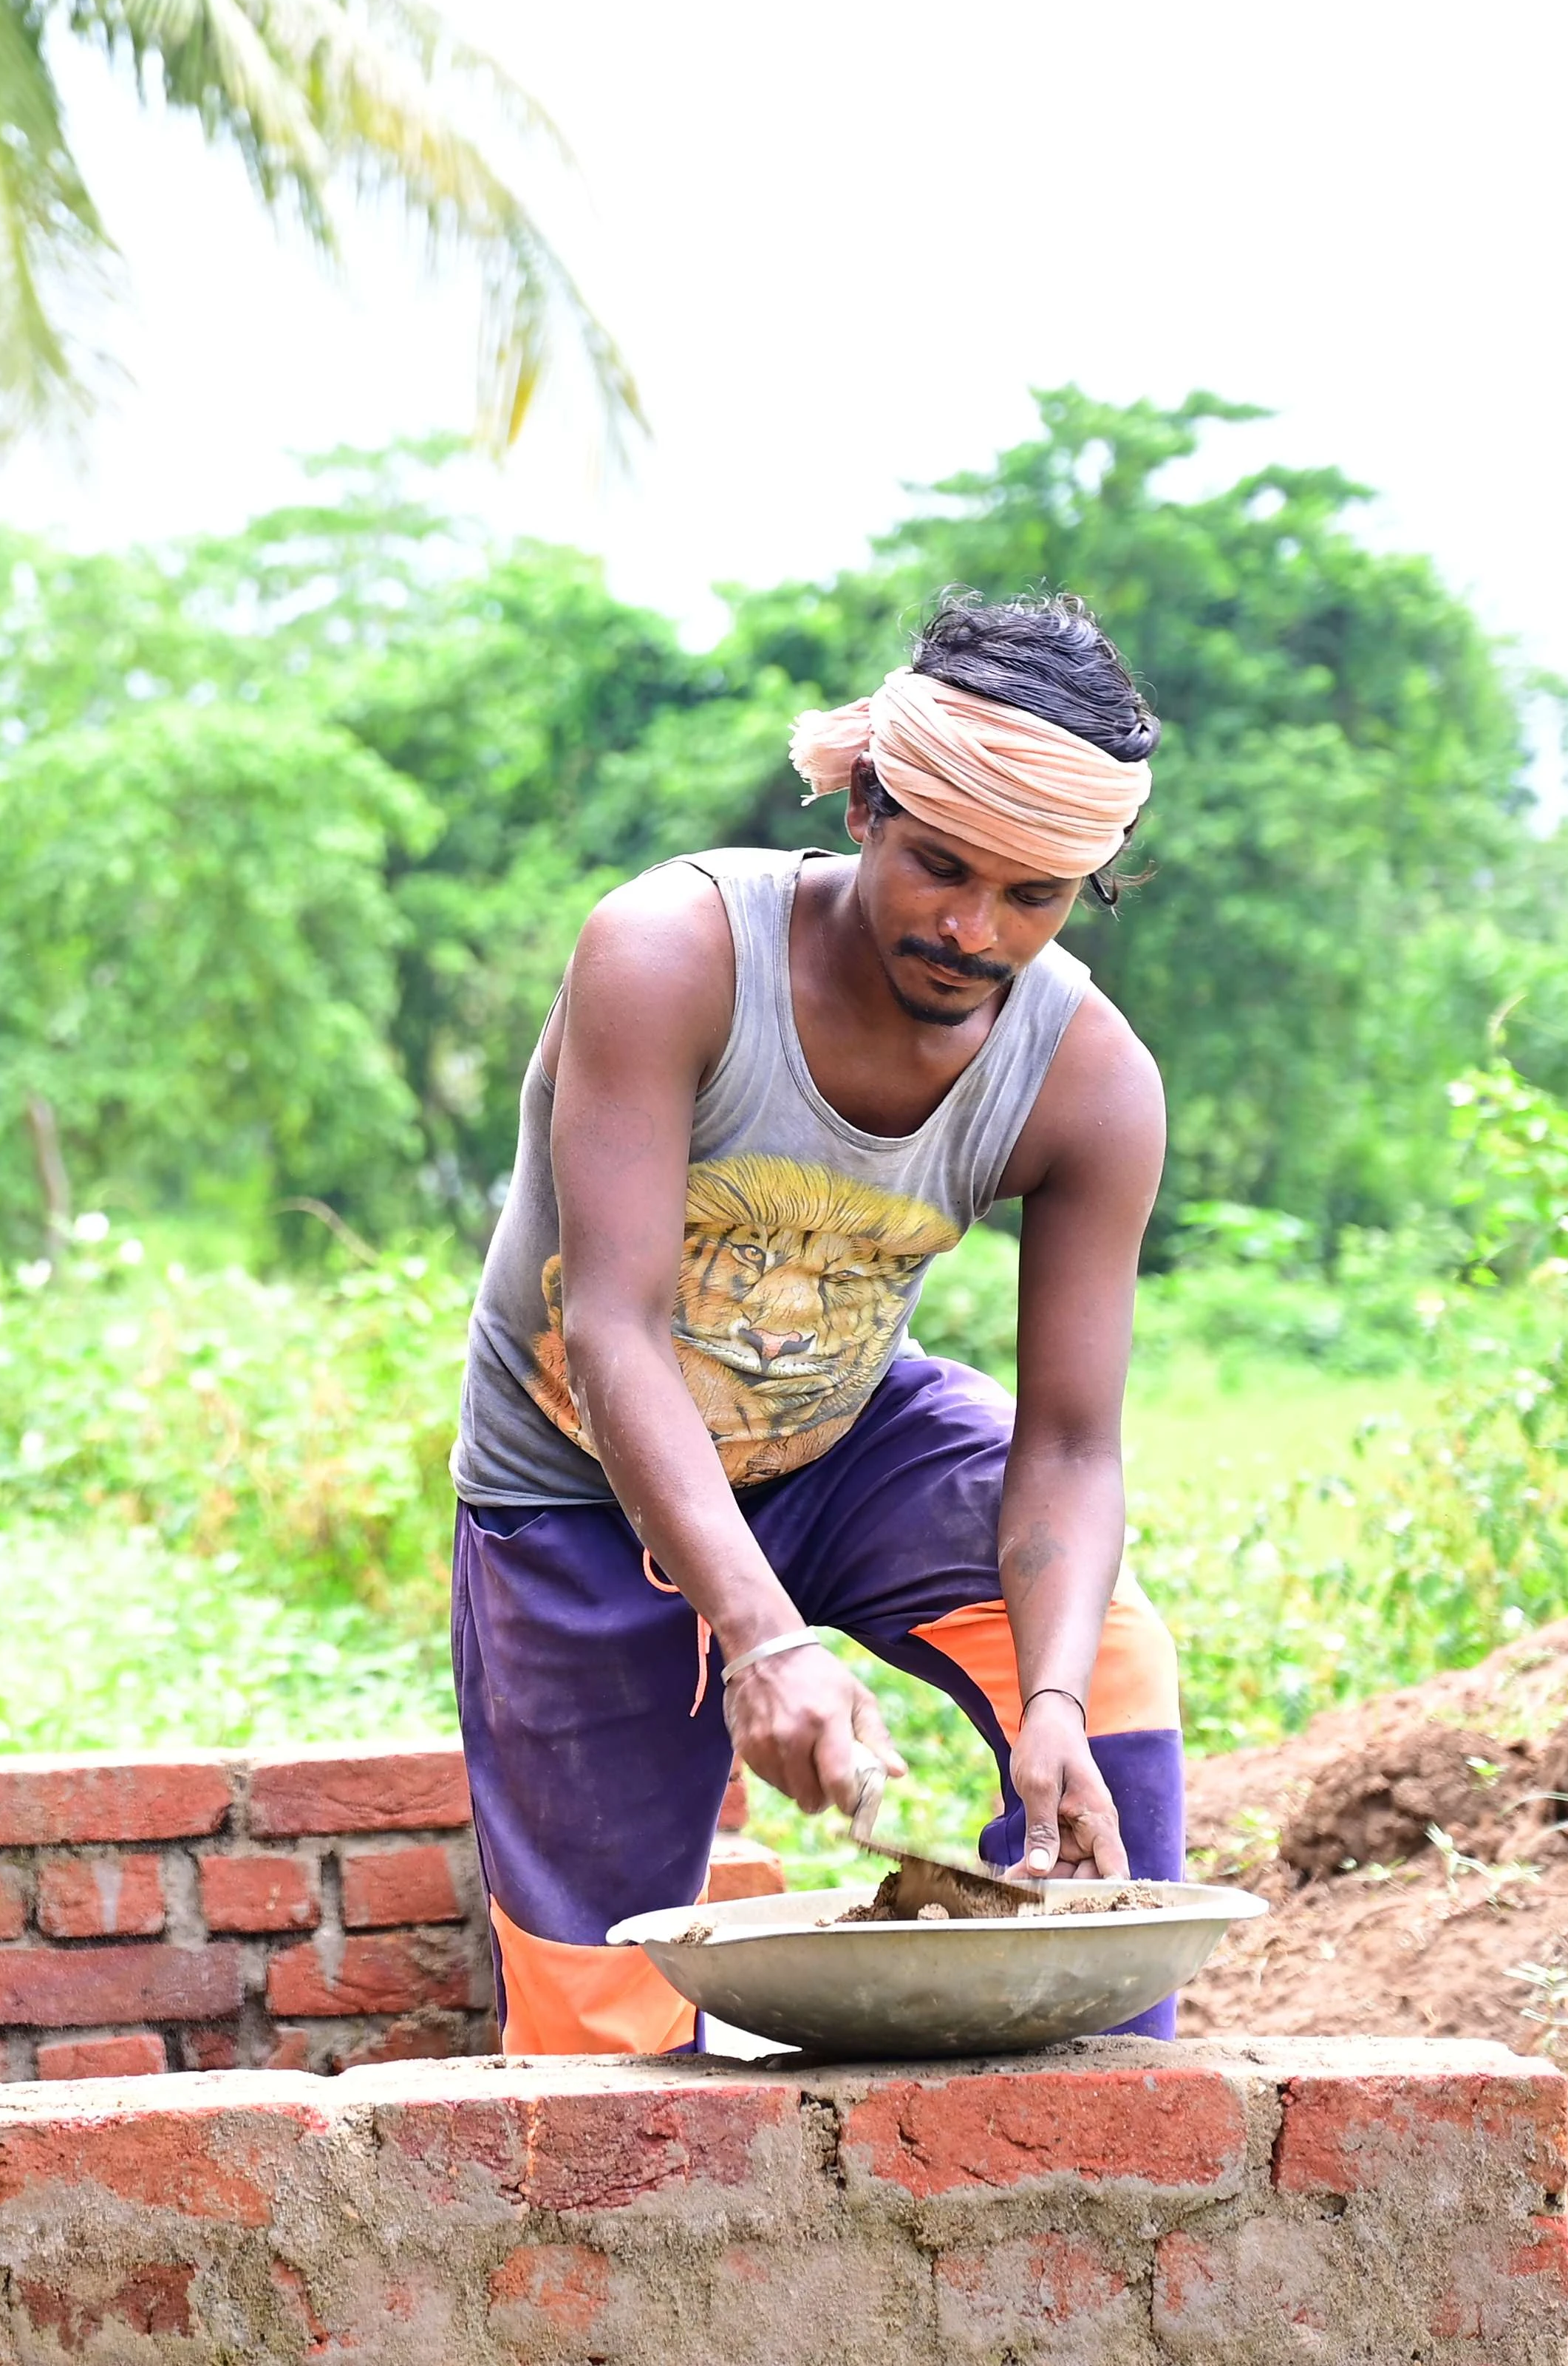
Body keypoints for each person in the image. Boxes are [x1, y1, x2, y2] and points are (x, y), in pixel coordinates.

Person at [450, 591, 1190, 2053]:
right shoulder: (671, 952)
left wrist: (1046, 1698)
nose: (973, 930)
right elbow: (611, 1327)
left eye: (1034, 895)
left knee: (1102, 1666)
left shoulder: (1090, 1079)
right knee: (599, 2014)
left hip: (844, 1440)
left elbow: (1071, 1442)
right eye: (940, 866)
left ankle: (1105, 2115)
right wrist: (765, 1640)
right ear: (863, 805)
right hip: (579, 1480)